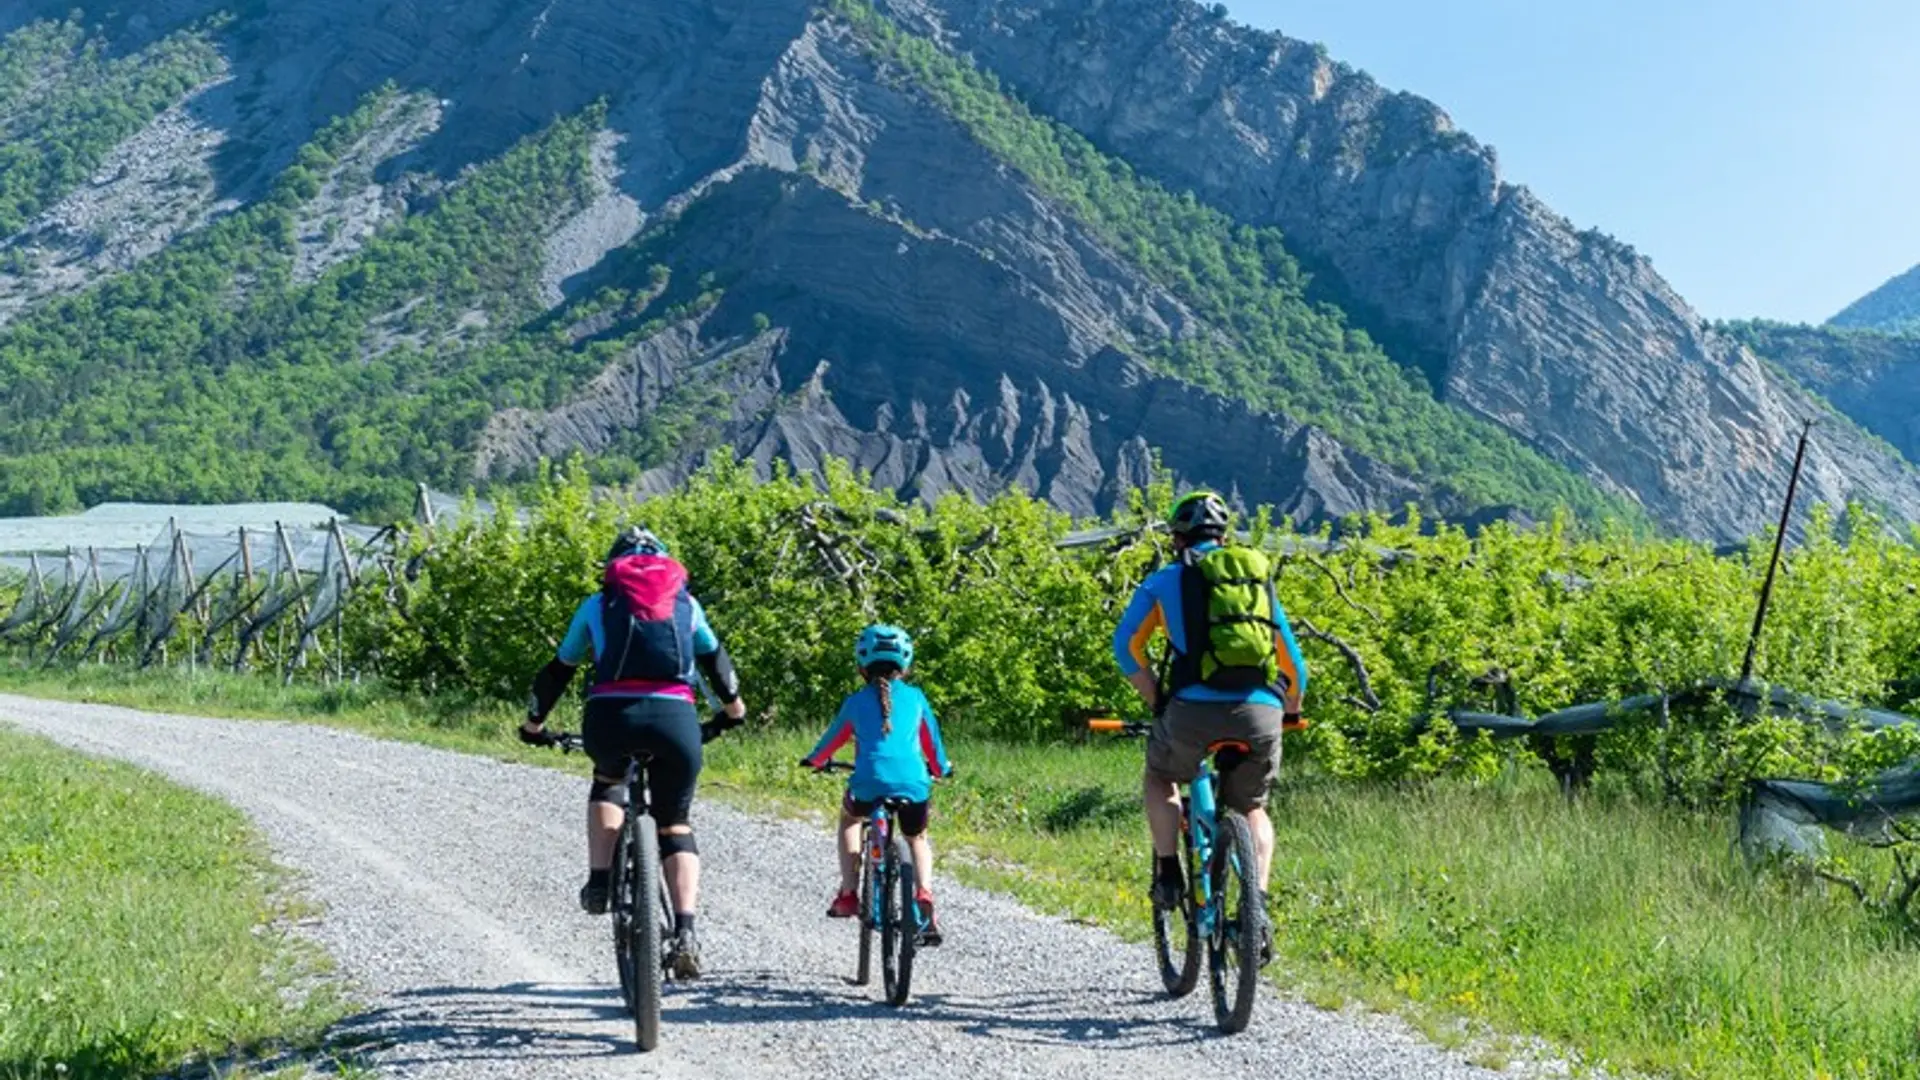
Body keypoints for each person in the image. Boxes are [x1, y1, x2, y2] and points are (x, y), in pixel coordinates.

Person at [521, 525, 746, 979]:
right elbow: (717, 664)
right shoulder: (688, 604)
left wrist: (534, 724)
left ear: (613, 568)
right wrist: (733, 712)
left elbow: (558, 671)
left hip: (611, 716)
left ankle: (601, 881)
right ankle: (685, 931)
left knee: (609, 782)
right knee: (676, 823)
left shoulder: (597, 605)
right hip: (676, 721)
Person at [1110, 491, 1305, 956]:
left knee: (1160, 775)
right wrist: (1291, 710)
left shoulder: (1163, 582)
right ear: (1225, 537)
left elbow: (1125, 649)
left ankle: (1169, 871)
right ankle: (1255, 907)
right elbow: (1294, 662)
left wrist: (1157, 697)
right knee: (1252, 807)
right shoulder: (1255, 584)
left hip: (1190, 710)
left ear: (1177, 539)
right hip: (1260, 710)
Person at [801, 624, 954, 946]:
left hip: (868, 782)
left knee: (850, 819)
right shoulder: (916, 698)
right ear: (906, 665)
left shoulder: (855, 702)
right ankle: (924, 892)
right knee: (917, 837)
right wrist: (941, 769)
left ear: (861, 666)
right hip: (914, 783)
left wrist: (815, 760)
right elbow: (933, 745)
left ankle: (848, 893)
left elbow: (831, 741)